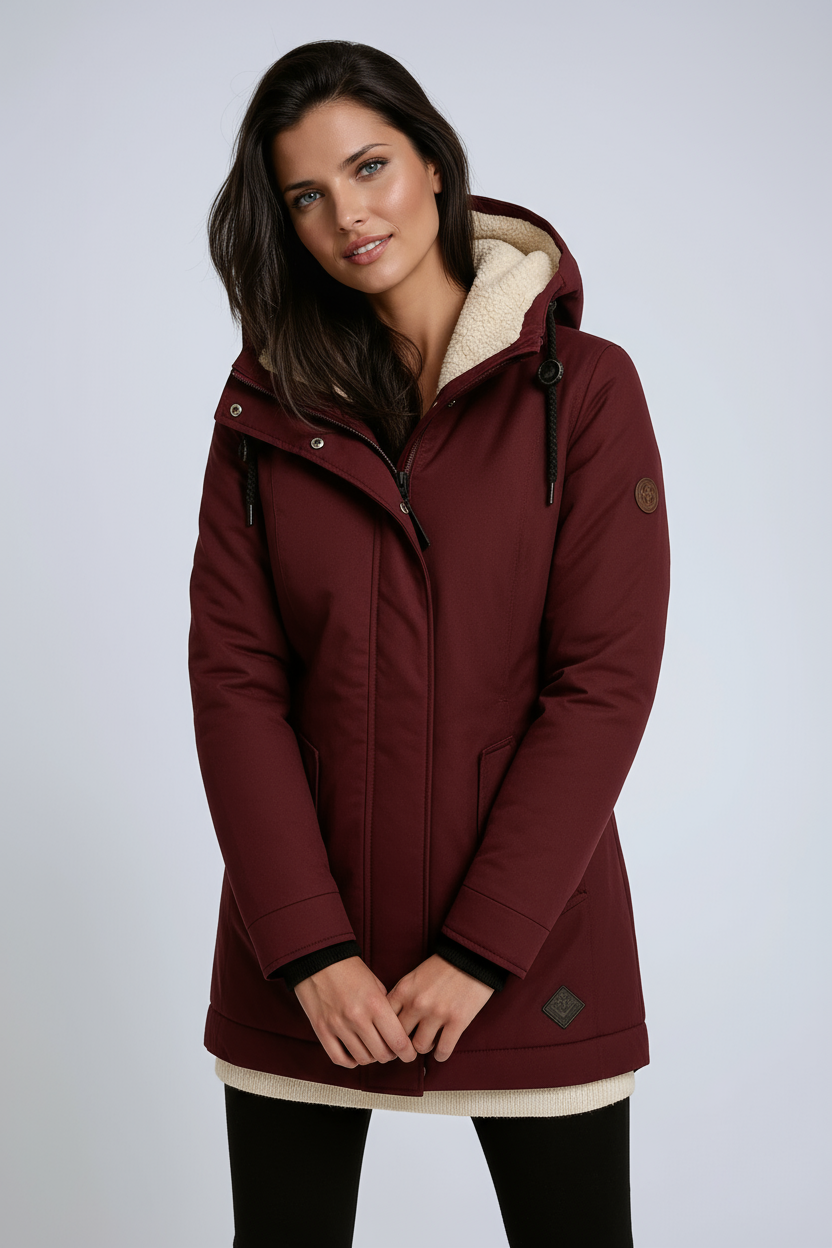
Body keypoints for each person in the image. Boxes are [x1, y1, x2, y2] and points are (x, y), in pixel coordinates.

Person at [188, 38, 670, 1248]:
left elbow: (601, 686)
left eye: (370, 167)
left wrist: (480, 950)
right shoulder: (263, 411)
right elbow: (235, 684)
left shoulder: (586, 392)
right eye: (306, 194)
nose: (348, 215)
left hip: (534, 951)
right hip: (306, 968)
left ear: (434, 163)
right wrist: (307, 948)